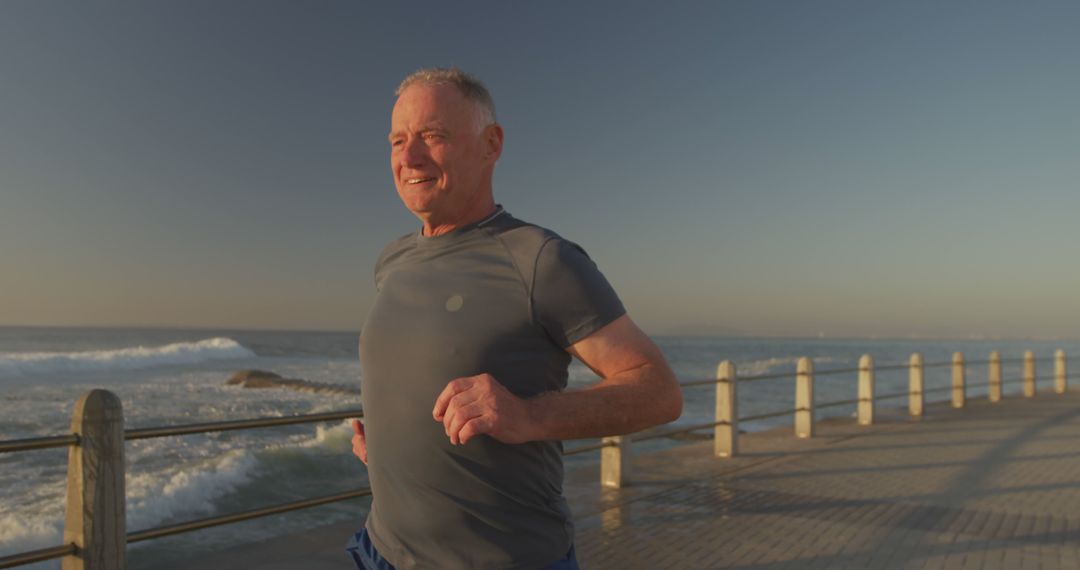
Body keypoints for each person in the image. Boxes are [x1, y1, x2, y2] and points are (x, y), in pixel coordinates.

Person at [347, 67, 683, 570]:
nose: (409, 157)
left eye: (432, 136)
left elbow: (658, 391)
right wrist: (393, 445)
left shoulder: (540, 259)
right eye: (398, 140)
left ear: (491, 143)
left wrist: (529, 416)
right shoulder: (391, 261)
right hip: (382, 551)